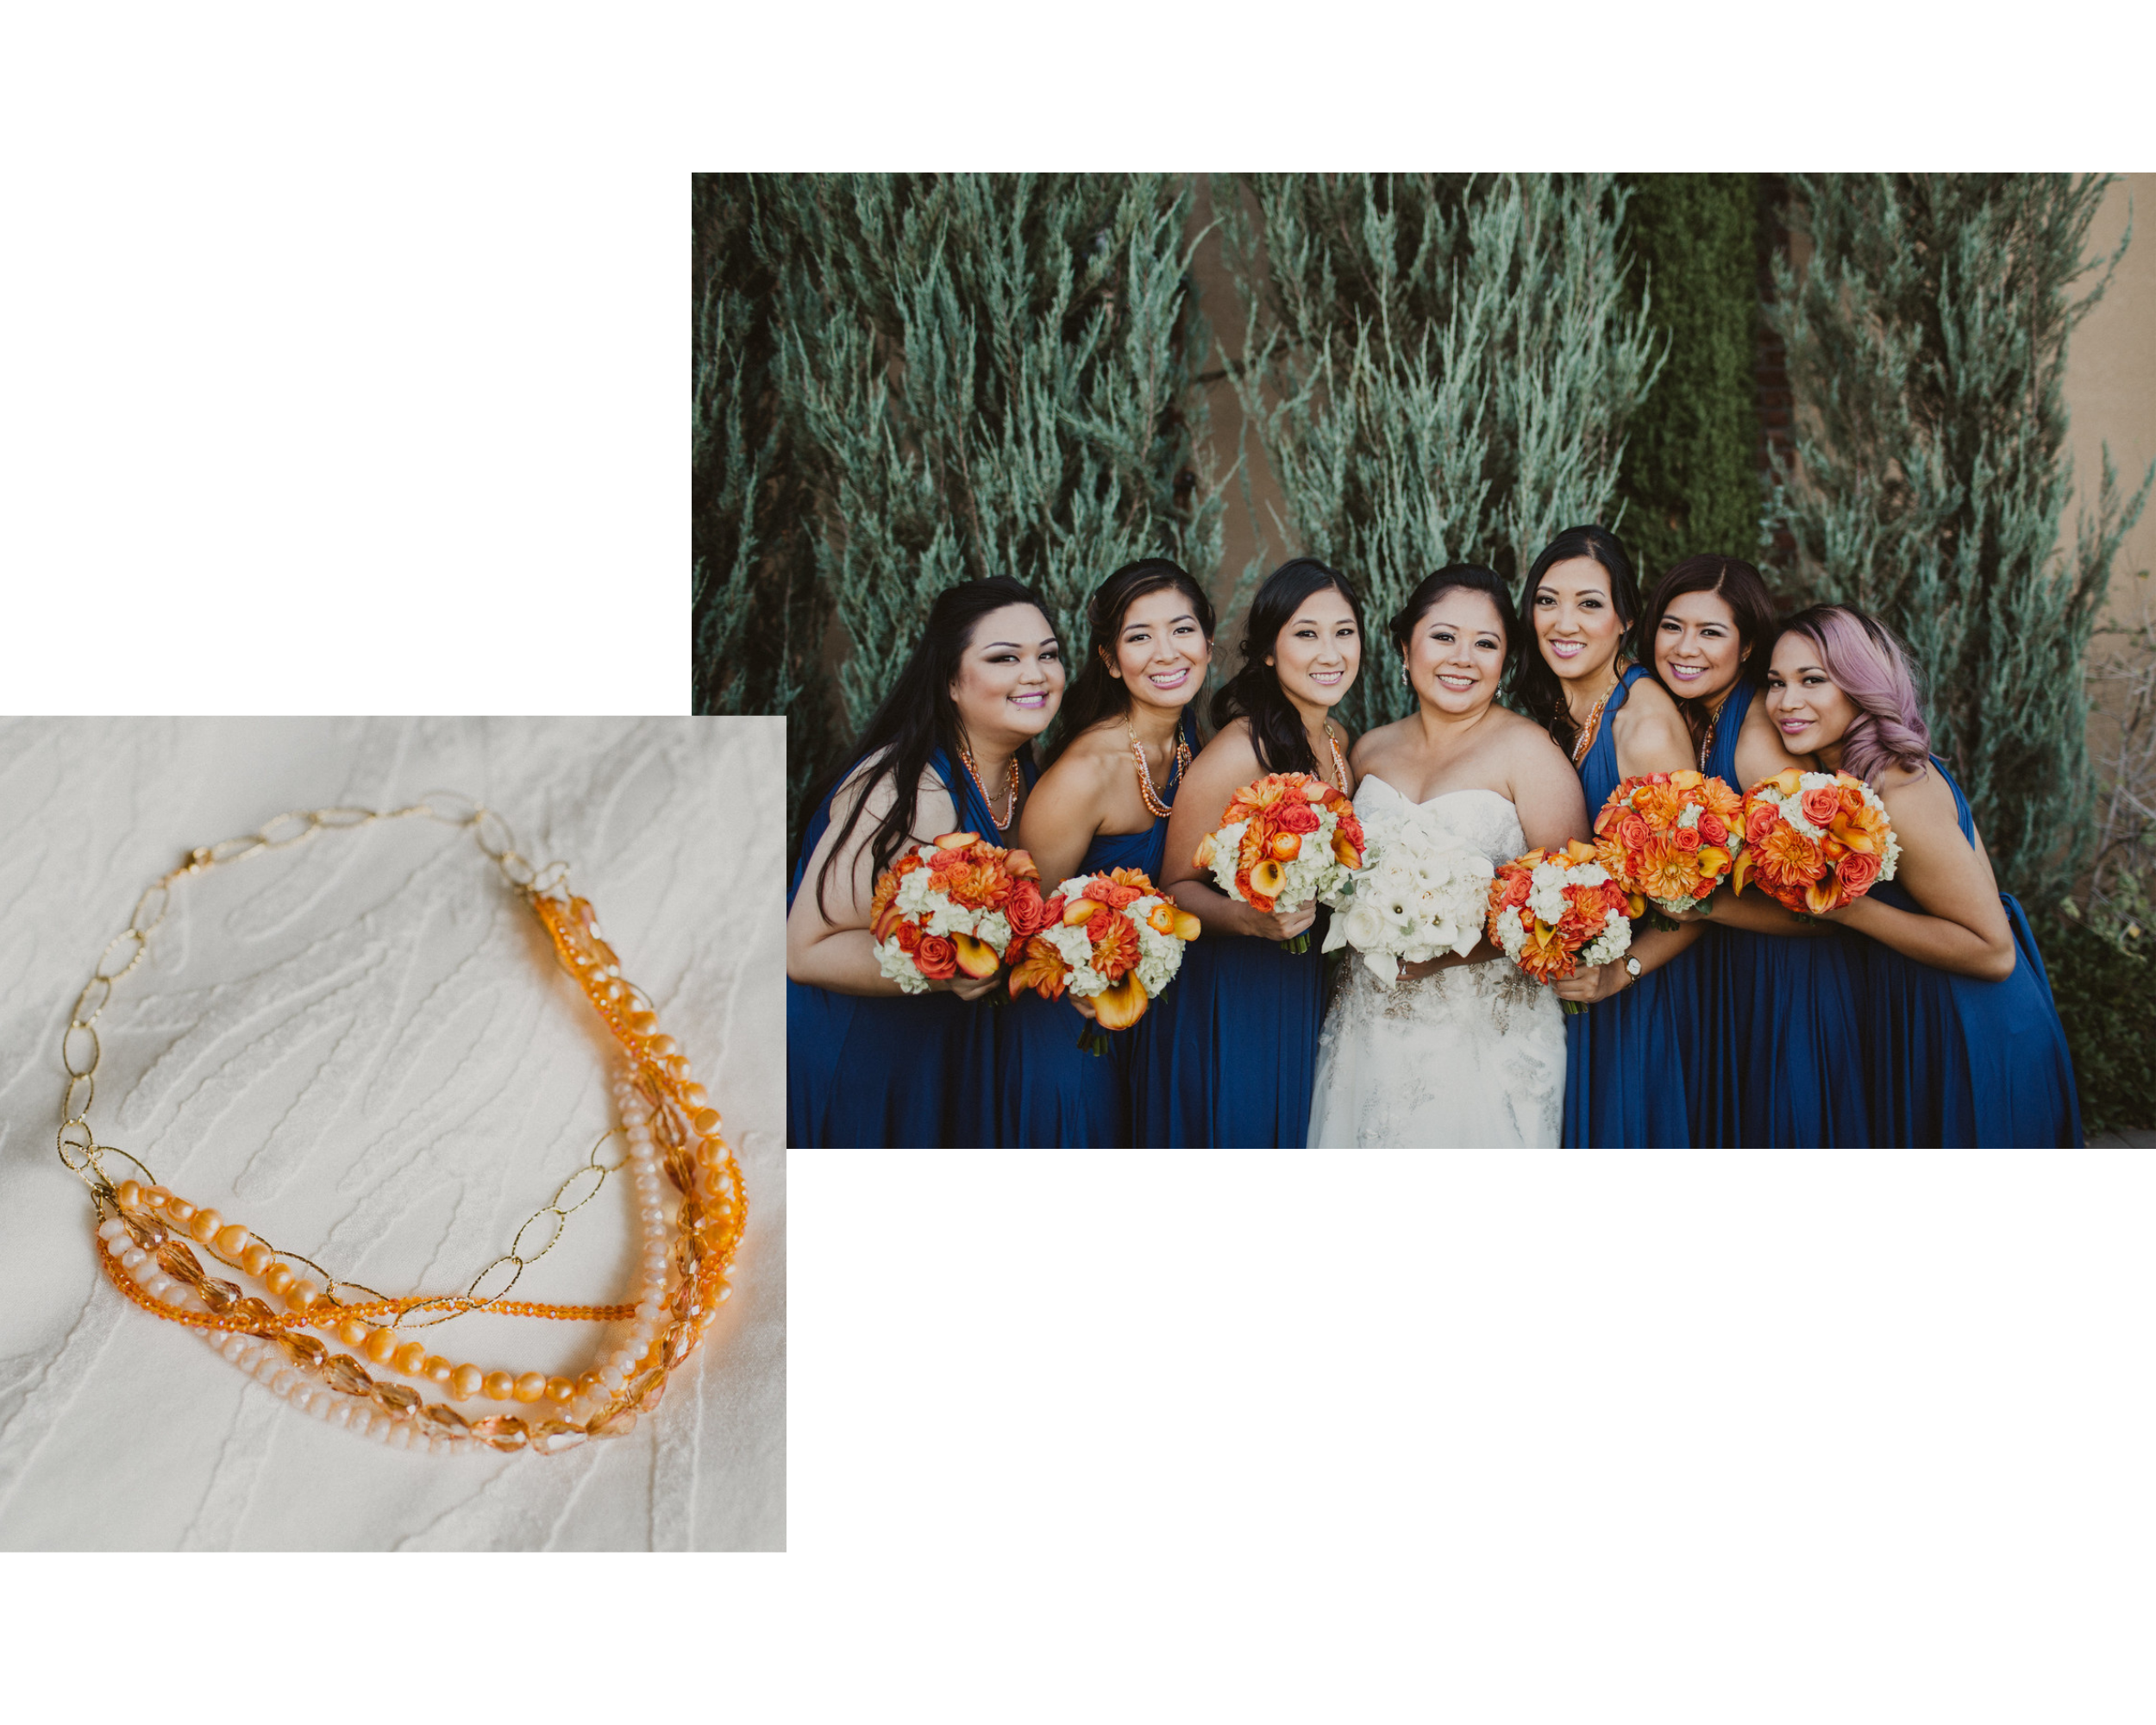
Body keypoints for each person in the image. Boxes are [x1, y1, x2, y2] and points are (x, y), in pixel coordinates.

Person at [1766, 605, 2082, 1146]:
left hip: (1968, 1030)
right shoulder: (1846, 779)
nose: (1787, 702)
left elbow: (1992, 950)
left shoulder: (1898, 790)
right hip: (1915, 1016)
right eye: (1776, 683)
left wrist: (1844, 905)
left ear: (1861, 687)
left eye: (1812, 680)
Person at [1307, 567, 1586, 1146]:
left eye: (1486, 643)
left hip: (1486, 1038)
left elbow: (1571, 910)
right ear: (1405, 647)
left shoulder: (1528, 753)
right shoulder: (1369, 748)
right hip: (1369, 1027)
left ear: (1506, 663)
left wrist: (1450, 952)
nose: (1463, 657)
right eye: (1443, 637)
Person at [786, 576, 1063, 1145]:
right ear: (950, 682)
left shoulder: (1025, 777)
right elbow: (805, 950)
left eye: (1048, 655)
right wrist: (943, 973)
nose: (1035, 674)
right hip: (868, 1063)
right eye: (1004, 657)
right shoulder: (908, 790)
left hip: (948, 1053)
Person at [1645, 555, 1869, 1145]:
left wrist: (1696, 906)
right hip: (1737, 971)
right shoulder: (1705, 717)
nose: (1684, 647)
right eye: (1672, 626)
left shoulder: (1757, 743)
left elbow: (1828, 911)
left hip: (1790, 983)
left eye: (1711, 632)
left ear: (1747, 648)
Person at [1142, 557, 1363, 1146]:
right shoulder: (1241, 751)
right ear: (1268, 651)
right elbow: (1174, 888)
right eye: (1306, 634)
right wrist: (1247, 916)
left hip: (1303, 983)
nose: (1330, 653)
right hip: (1237, 992)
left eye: (1344, 632)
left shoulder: (1341, 741)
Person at [1000, 560, 1213, 1145]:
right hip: (1069, 1030)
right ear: (1112, 660)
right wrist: (1086, 970)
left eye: (1182, 629)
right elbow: (1021, 929)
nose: (1166, 653)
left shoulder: (1200, 741)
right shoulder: (1083, 776)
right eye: (1139, 637)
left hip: (1156, 1027)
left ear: (1209, 642)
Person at [1520, 525, 1702, 1146]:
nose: (1563, 622)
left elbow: (1694, 901)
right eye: (1547, 601)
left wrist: (1619, 974)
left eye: (1589, 604)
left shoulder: (1643, 728)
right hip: (1571, 990)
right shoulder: (1555, 705)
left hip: (1634, 1001)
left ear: (1625, 617)